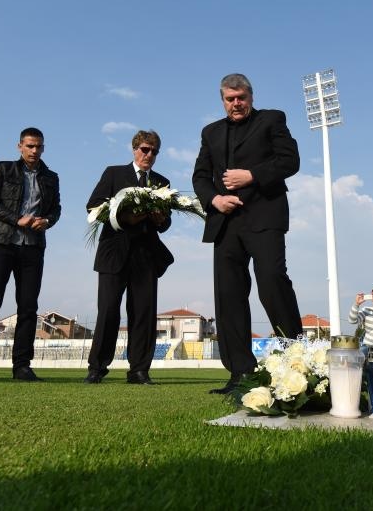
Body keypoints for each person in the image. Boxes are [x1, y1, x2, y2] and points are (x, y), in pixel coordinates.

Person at [192, 73, 303, 394]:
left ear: (250, 97)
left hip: (264, 216)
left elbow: (289, 161)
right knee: (229, 297)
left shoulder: (271, 120)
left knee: (272, 282)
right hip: (225, 222)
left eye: (241, 97)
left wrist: (251, 175)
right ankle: (239, 373)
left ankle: (296, 360)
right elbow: (200, 177)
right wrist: (215, 199)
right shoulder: (210, 132)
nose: (236, 103)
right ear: (222, 100)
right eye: (230, 98)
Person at [0, 127, 61, 381]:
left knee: (28, 308)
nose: (34, 151)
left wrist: (48, 221)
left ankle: (22, 366)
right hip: (1, 244)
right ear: (20, 146)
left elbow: (56, 209)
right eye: (30, 146)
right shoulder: (3, 169)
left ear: (43, 147)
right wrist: (17, 219)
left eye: (39, 146)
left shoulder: (51, 177)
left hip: (33, 249)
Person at [84, 130, 174, 385]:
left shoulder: (161, 182)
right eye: (145, 149)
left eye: (154, 151)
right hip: (114, 252)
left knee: (144, 314)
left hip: (146, 256)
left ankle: (139, 371)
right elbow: (93, 207)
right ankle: (97, 368)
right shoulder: (113, 173)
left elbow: (166, 224)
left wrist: (159, 218)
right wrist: (125, 217)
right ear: (135, 149)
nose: (149, 155)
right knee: (108, 311)